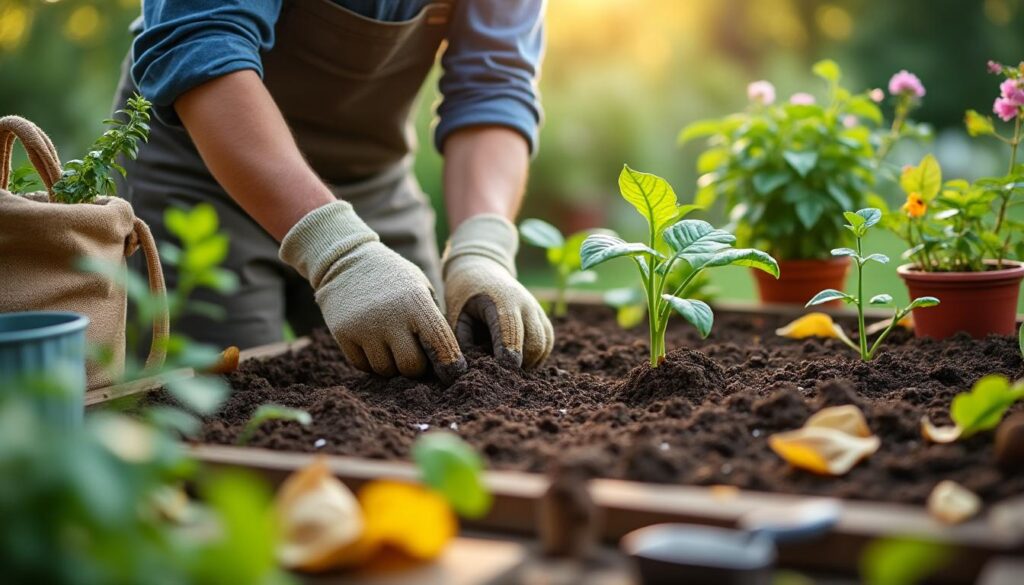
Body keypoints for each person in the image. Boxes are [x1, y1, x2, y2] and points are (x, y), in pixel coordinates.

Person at [114, 0, 554, 384]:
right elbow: (201, 43)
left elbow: (494, 85)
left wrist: (483, 248)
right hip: (200, 172)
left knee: (434, 377)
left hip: (372, 183)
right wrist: (338, 250)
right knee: (217, 409)